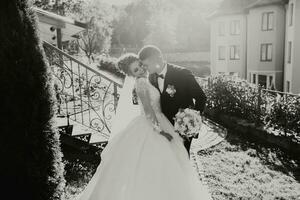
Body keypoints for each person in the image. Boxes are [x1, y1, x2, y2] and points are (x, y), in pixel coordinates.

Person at [77, 53, 211, 200]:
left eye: (140, 65)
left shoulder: (149, 79)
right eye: (136, 70)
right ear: (130, 74)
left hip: (163, 120)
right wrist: (161, 132)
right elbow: (148, 113)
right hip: (153, 126)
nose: (141, 70)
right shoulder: (140, 83)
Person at [138, 45, 207, 155]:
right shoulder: (151, 78)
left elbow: (201, 97)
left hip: (183, 127)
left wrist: (193, 121)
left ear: (157, 58)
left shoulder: (182, 74)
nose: (145, 68)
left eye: (146, 65)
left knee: (182, 159)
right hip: (165, 128)